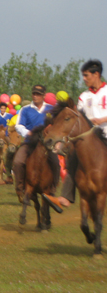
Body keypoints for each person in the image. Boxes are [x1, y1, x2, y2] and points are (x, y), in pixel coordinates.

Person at [46, 59, 107, 211]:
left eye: (86, 75)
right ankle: (66, 197)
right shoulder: (83, 96)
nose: (84, 79)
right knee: (73, 157)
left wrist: (102, 119)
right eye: (83, 76)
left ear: (96, 74)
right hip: (89, 138)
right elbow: (77, 119)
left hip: (105, 135)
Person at [12, 85, 60, 204]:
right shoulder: (25, 109)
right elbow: (19, 125)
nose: (35, 96)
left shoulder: (51, 109)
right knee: (18, 162)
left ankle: (52, 190)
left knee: (56, 163)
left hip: (46, 145)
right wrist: (29, 133)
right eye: (34, 93)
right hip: (29, 143)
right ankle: (21, 188)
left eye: (38, 94)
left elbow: (58, 125)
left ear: (44, 95)